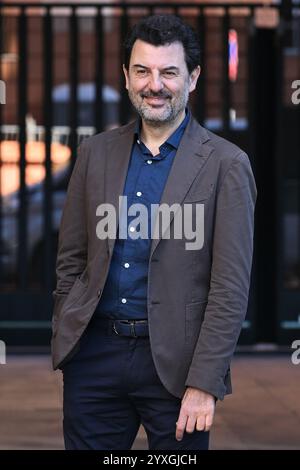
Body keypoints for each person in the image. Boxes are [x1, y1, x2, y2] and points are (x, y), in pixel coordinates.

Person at [51, 14, 257, 450]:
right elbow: (72, 257)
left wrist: (206, 382)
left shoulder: (227, 165)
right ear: (126, 76)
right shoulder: (95, 153)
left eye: (169, 72)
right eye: (142, 71)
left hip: (179, 369)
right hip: (94, 360)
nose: (154, 85)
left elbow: (230, 288)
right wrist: (67, 331)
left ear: (193, 77)